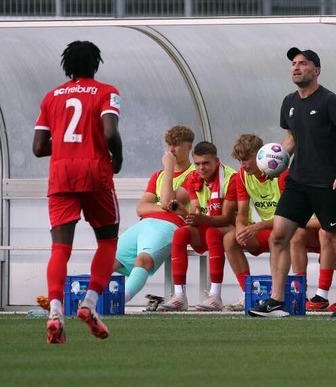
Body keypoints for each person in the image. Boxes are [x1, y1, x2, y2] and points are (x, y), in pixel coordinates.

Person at [249, 47, 336, 318]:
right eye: (294, 64)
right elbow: (292, 139)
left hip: (327, 182)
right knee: (279, 236)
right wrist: (275, 161)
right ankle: (277, 300)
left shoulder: (330, 101)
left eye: (303, 63)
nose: (296, 67)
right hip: (298, 181)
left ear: (316, 70)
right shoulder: (289, 101)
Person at [33, 40, 123, 344]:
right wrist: (118, 158)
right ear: (95, 64)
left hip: (61, 174)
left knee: (60, 249)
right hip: (95, 171)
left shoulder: (51, 97)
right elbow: (110, 132)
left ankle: (55, 310)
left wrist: (68, 143)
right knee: (108, 241)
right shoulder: (106, 91)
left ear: (66, 66)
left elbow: (37, 148)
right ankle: (89, 305)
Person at [113, 125, 195, 304]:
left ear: (189, 147)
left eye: (177, 145)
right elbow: (141, 208)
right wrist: (163, 207)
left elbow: (167, 202)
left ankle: (118, 301)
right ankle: (84, 297)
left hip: (171, 225)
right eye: (169, 145)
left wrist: (169, 168)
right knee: (108, 259)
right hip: (146, 223)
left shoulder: (194, 174)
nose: (171, 150)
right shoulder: (157, 175)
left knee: (143, 260)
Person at [158, 141, 237, 311]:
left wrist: (199, 218)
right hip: (207, 224)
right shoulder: (193, 177)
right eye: (198, 163)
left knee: (211, 232)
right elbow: (195, 213)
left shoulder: (231, 178)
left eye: (206, 163)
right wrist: (182, 212)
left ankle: (215, 296)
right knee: (180, 234)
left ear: (217, 161)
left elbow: (227, 219)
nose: (201, 168)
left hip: (230, 227)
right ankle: (179, 296)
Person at [223, 134, 288, 311]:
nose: (243, 165)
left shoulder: (281, 173)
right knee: (230, 239)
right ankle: (248, 294)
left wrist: (257, 226)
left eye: (246, 159)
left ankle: (292, 293)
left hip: (289, 228)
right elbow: (242, 213)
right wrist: (240, 229)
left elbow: (289, 216)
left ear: (260, 155)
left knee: (286, 236)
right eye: (240, 160)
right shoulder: (242, 176)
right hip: (268, 228)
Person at [292, 187, 336, 312]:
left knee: (327, 232)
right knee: (297, 234)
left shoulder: (335, 182)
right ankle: (299, 293)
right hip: (329, 226)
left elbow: (335, 218)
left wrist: (298, 221)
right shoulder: (307, 182)